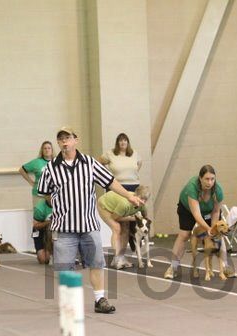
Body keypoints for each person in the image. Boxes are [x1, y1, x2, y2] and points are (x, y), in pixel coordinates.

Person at [38, 127, 144, 314]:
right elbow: (44, 193)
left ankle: (99, 299)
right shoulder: (50, 168)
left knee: (96, 263)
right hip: (64, 227)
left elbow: (110, 182)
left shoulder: (89, 163)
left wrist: (128, 195)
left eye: (68, 138)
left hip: (88, 224)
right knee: (65, 267)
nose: (64, 142)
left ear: (76, 140)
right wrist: (55, 201)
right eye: (61, 139)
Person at [164, 165, 225, 279]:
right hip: (188, 209)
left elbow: (216, 211)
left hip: (209, 210)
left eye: (212, 179)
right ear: (200, 178)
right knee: (184, 234)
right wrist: (208, 229)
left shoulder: (218, 190)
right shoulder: (192, 187)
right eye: (207, 179)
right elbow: (196, 215)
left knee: (219, 232)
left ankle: (225, 267)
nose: (210, 182)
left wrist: (213, 229)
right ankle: (173, 267)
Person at [97, 186, 150, 269]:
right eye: (141, 198)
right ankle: (117, 259)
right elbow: (114, 218)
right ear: (135, 195)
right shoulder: (125, 204)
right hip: (105, 206)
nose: (143, 201)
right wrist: (132, 218)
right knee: (116, 228)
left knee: (126, 228)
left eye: (145, 200)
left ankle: (121, 257)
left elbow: (145, 219)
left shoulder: (142, 205)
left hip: (118, 209)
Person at [19, 141, 54, 206]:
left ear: (52, 150)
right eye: (45, 148)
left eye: (49, 148)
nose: (47, 150)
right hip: (38, 195)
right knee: (39, 215)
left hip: (52, 195)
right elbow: (21, 170)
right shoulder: (36, 162)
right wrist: (31, 182)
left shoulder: (56, 162)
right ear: (42, 150)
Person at [32, 196, 53, 264]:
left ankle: (52, 250)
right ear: (45, 197)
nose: (51, 198)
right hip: (40, 230)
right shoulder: (39, 208)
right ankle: (42, 252)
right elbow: (36, 226)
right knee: (44, 260)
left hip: (54, 230)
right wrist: (49, 222)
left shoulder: (62, 204)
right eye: (49, 196)